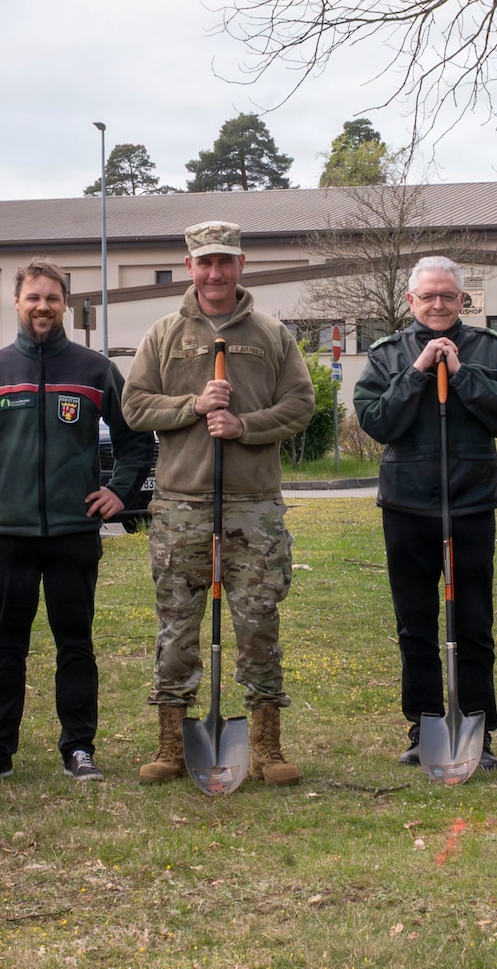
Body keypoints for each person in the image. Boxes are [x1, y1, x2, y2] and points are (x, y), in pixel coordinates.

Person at [0, 260, 152, 784]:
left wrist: (119, 492)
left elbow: (137, 440)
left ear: (64, 304)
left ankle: (79, 748)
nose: (42, 306)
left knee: (76, 644)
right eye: (33, 297)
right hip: (8, 533)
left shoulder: (94, 370)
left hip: (74, 531)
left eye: (51, 297)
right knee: (6, 646)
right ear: (17, 304)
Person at [123, 220, 316, 786]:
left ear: (241, 264)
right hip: (181, 504)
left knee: (258, 623)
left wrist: (244, 425)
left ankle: (267, 747)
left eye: (225, 261)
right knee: (177, 627)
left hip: (253, 506)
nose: (215, 272)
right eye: (204, 262)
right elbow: (135, 406)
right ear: (190, 266)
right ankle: (171, 744)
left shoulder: (272, 335)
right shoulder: (164, 334)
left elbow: (300, 405)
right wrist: (193, 404)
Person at [353, 256, 497, 770]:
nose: (437, 304)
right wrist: (417, 372)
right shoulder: (388, 355)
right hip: (408, 507)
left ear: (462, 300)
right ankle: (424, 724)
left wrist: (462, 372)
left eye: (447, 296)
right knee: (415, 624)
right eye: (427, 296)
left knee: (473, 622)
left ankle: (478, 727)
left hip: (472, 503)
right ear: (411, 301)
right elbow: (376, 420)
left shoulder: (490, 351)